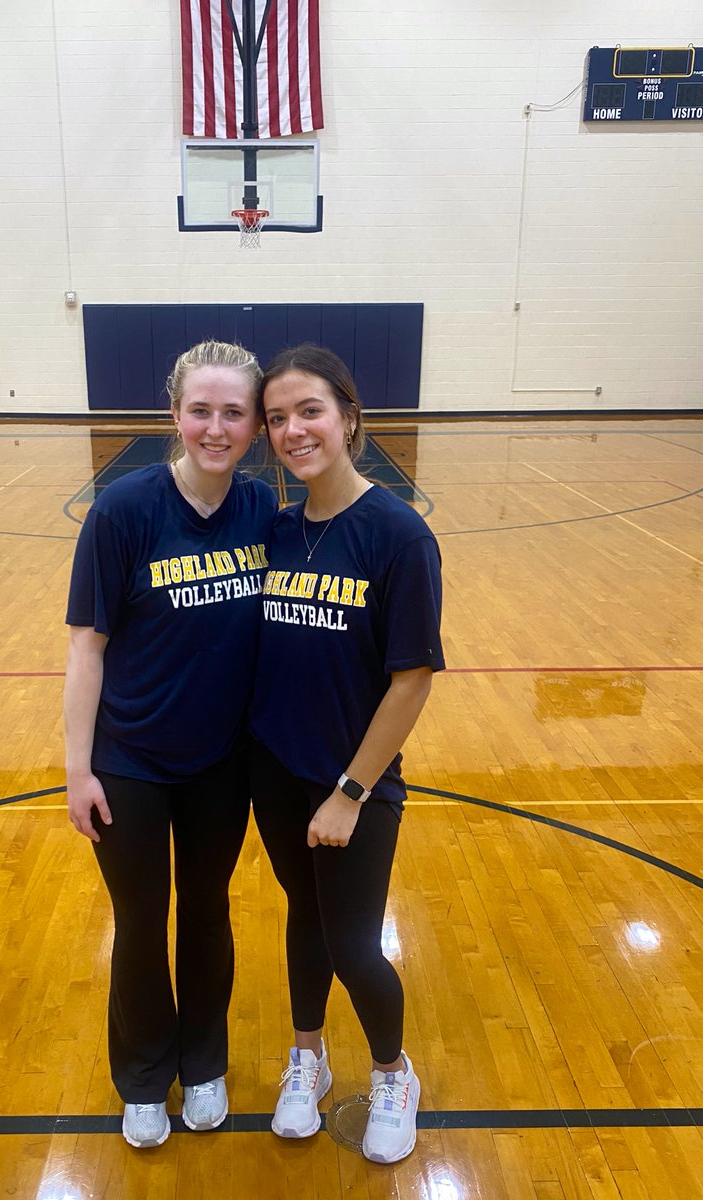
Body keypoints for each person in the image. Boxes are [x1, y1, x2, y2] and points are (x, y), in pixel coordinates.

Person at [64, 340, 276, 1148]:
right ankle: (145, 1077)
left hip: (223, 764)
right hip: (131, 767)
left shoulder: (263, 513)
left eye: (232, 412)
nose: (215, 427)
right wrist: (78, 769)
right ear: (174, 416)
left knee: (209, 911)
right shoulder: (123, 511)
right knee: (142, 922)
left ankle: (206, 1062)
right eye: (200, 410)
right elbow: (87, 647)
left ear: (254, 425)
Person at [248, 344, 444, 1165]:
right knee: (306, 916)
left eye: (310, 411)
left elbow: (411, 681)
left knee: (355, 942)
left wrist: (352, 790)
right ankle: (308, 1055)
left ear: (350, 417)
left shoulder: (398, 534)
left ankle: (395, 1074)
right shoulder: (279, 528)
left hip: (352, 788)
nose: (294, 430)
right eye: (278, 418)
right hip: (274, 774)